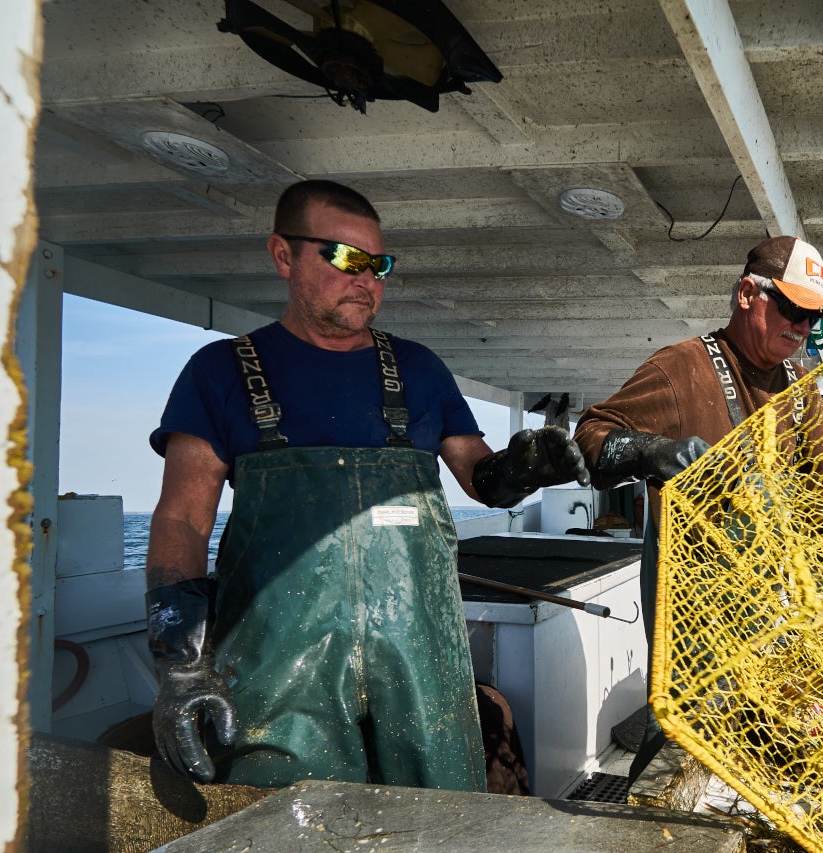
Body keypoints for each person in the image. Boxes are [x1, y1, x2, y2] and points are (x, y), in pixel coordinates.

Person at [145, 179, 587, 789]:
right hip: (279, 674)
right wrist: (182, 665)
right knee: (284, 840)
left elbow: (485, 482)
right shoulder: (219, 372)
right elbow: (182, 520)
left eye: (380, 265)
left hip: (421, 668)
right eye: (346, 258)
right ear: (283, 255)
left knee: (441, 832)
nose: (367, 279)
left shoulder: (420, 369)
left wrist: (529, 467)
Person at [573, 235, 823, 778]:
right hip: (690, 601)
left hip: (772, 600)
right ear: (749, 293)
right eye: (792, 308)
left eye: (816, 319)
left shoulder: (801, 387)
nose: (802, 328)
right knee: (681, 735)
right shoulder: (682, 368)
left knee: (768, 743)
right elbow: (591, 436)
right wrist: (653, 450)